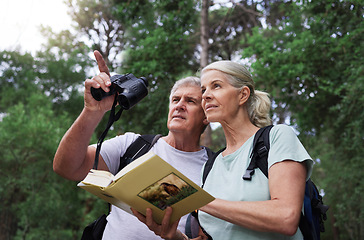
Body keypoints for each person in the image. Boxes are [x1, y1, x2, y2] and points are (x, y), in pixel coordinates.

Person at [133, 60, 314, 240]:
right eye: (204, 90)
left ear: (243, 95)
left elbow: (286, 217)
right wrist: (176, 237)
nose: (206, 96)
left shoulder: (276, 138)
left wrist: (196, 200)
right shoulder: (210, 167)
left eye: (216, 86)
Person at [53, 50, 210, 240]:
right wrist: (92, 111)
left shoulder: (215, 168)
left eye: (191, 101)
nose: (179, 105)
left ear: (206, 116)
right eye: (175, 99)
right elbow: (67, 167)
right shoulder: (133, 145)